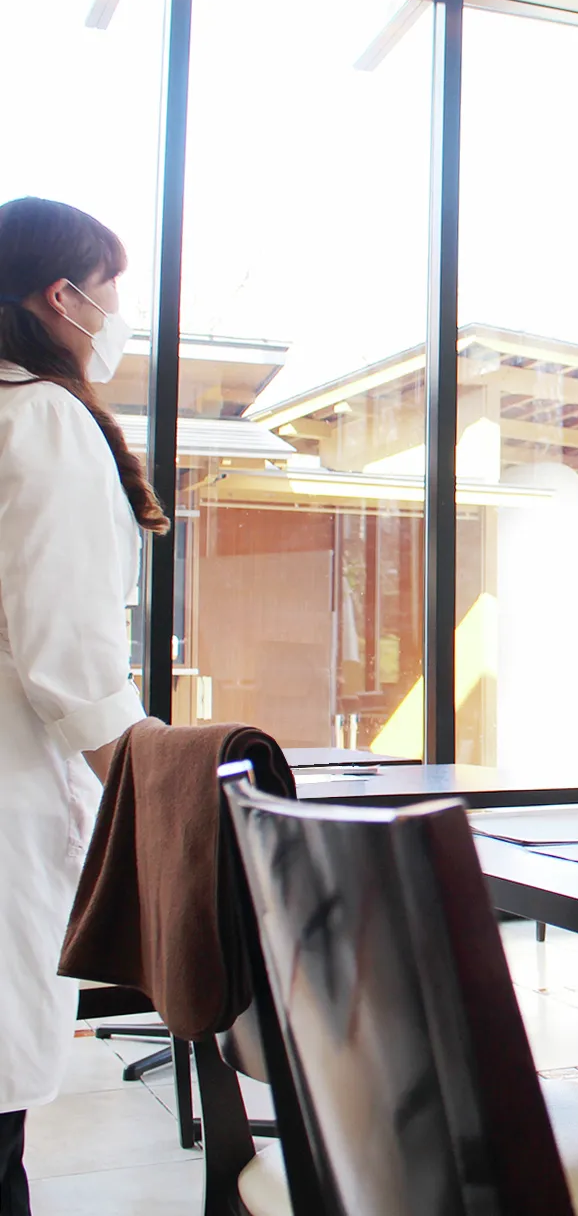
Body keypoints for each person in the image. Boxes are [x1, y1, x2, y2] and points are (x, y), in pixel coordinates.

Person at [0, 197, 168, 1214]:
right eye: (113, 293)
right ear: (62, 298)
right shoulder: (45, 420)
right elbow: (71, 665)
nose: (118, 315)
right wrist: (167, 799)